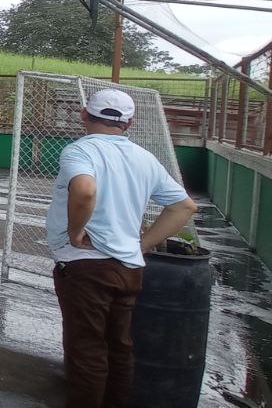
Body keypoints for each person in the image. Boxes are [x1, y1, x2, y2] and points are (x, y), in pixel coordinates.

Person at [47, 88, 198, 407]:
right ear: (128, 124)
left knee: (86, 349)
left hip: (86, 267)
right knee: (119, 348)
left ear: (84, 115)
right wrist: (140, 246)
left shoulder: (80, 151)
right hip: (128, 270)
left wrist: (75, 232)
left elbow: (85, 190)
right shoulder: (145, 158)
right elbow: (184, 207)